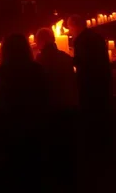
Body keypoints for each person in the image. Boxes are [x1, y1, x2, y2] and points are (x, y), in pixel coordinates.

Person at [0, 34, 49, 192]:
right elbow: (44, 93)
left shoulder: (2, 72)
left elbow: (0, 97)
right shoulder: (36, 68)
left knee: (15, 163)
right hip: (34, 122)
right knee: (34, 162)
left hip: (12, 124)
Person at [67, 15, 113, 174]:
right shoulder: (96, 36)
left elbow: (82, 62)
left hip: (90, 81)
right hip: (103, 77)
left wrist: (68, 61)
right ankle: (105, 139)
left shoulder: (81, 41)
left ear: (76, 26)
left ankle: (95, 145)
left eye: (70, 27)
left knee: (92, 111)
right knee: (102, 107)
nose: (69, 31)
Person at [34, 28, 78, 191]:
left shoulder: (40, 60)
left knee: (55, 146)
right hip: (70, 104)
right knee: (68, 143)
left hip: (52, 109)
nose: (36, 45)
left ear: (43, 42)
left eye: (38, 42)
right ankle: (71, 175)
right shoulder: (65, 58)